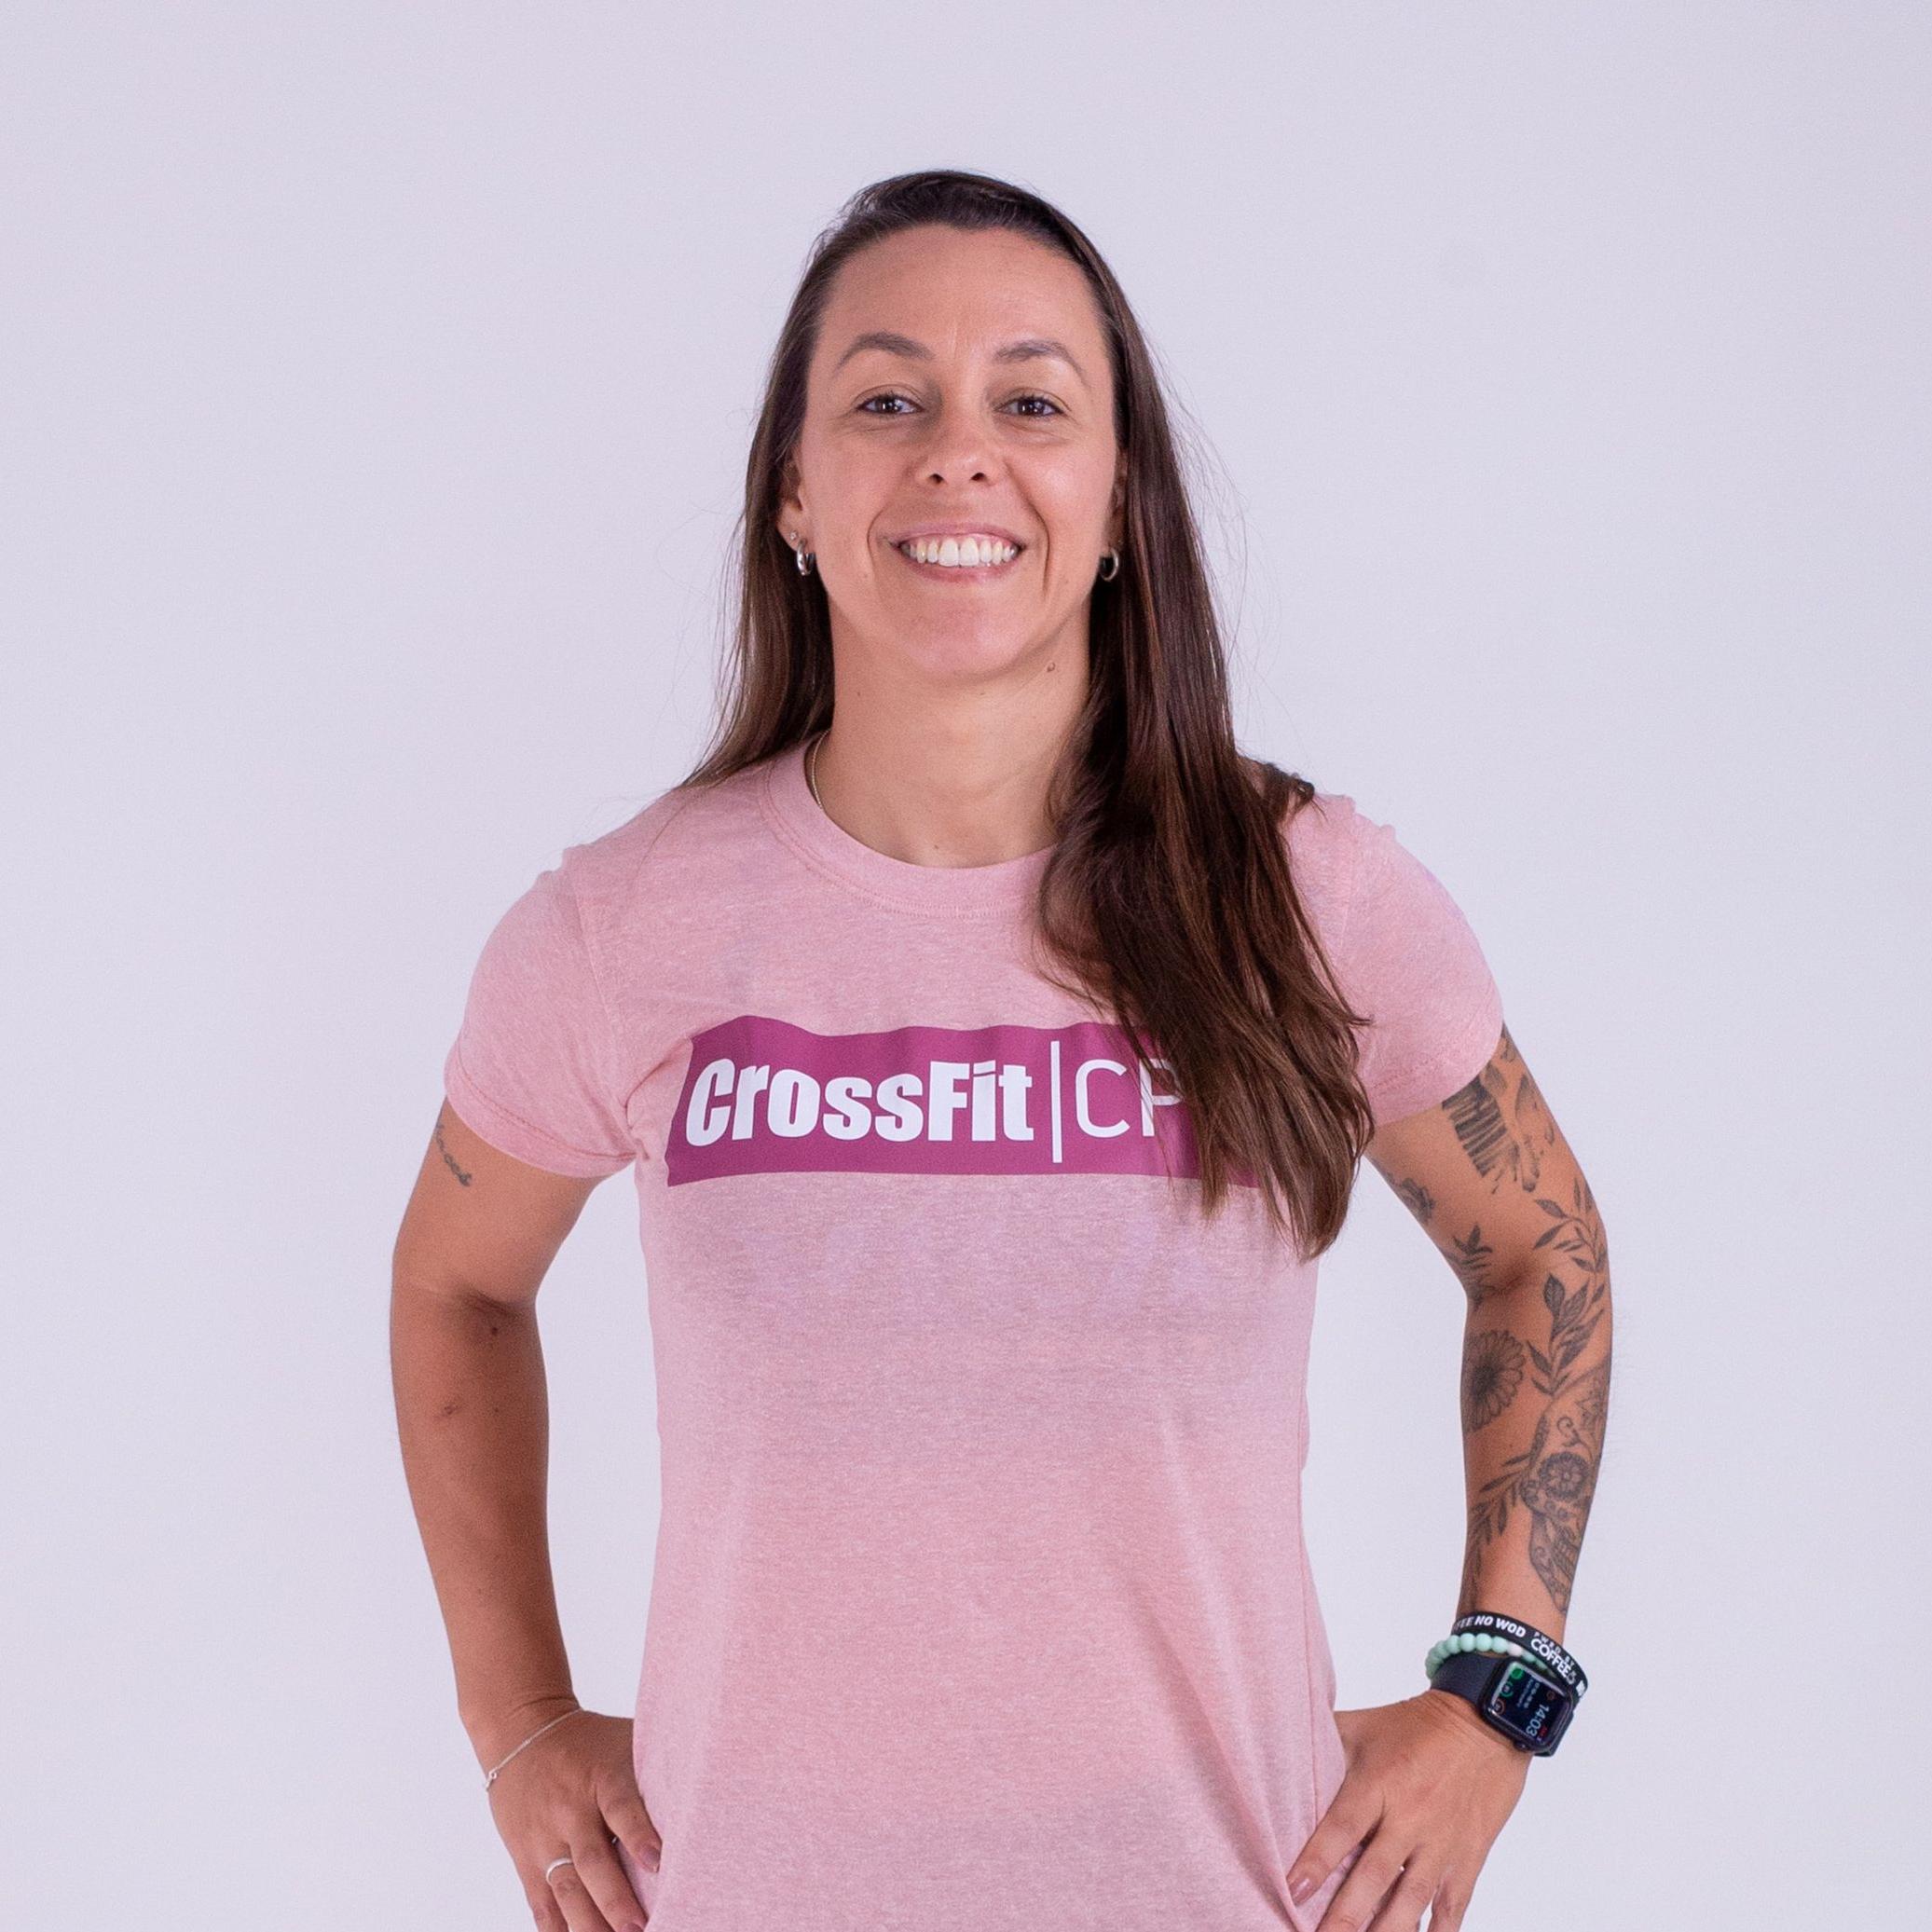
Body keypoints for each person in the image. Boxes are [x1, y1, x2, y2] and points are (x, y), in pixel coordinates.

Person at [391, 168, 1612, 1932]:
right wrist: (515, 1721)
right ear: (794, 492)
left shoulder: (1307, 895)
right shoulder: (621, 926)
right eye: (887, 400)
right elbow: (454, 1284)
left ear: (1116, 501)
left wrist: (1499, 1692)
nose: (958, 455)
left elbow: (1538, 1247)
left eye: (1030, 404)